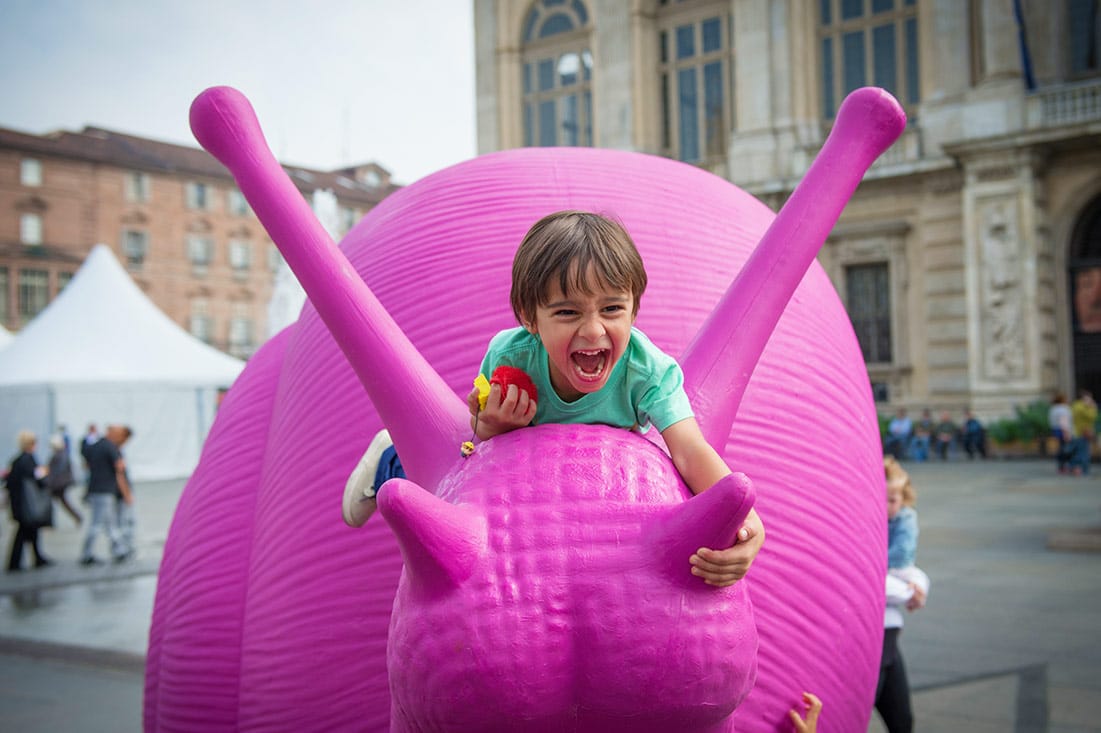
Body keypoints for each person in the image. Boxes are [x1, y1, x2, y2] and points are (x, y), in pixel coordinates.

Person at [344, 210, 764, 588]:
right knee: (452, 477)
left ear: (634, 311)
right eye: (567, 313)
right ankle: (390, 460)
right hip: (524, 469)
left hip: (597, 488)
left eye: (613, 309)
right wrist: (493, 425)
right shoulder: (511, 358)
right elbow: (480, 454)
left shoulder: (648, 371)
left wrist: (749, 525)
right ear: (530, 319)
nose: (594, 331)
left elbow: (690, 450)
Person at [878, 456, 929, 733]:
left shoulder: (903, 521)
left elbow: (906, 567)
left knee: (902, 720)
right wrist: (908, 593)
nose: (888, 507)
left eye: (893, 500)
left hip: (889, 636)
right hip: (874, 636)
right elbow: (871, 580)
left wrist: (916, 587)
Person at [79, 424, 135, 565]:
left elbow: (85, 462)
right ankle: (89, 554)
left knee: (107, 523)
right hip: (105, 490)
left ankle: (118, 550)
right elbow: (120, 471)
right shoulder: (111, 448)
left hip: (95, 489)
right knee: (100, 523)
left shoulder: (96, 445)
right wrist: (127, 493)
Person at [5, 430, 53, 571]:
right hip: (27, 503)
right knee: (24, 532)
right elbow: (35, 476)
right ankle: (16, 562)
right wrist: (43, 473)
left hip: (20, 502)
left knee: (29, 531)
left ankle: (36, 557)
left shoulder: (17, 460)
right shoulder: (28, 459)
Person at [46, 433, 82, 525]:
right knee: (63, 502)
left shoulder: (59, 455)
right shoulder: (63, 454)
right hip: (61, 482)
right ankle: (77, 516)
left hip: (58, 483)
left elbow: (56, 471)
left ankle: (77, 516)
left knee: (60, 502)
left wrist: (49, 481)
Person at [1070, 390, 1097, 475]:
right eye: (1089, 398)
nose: (1091, 400)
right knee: (1084, 453)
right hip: (1084, 432)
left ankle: (1076, 468)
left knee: (1079, 451)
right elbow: (1092, 416)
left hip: (1077, 432)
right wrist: (1093, 407)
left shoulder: (1075, 406)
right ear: (1084, 398)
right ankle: (1083, 470)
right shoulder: (1083, 407)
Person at [1049, 393, 1074, 474]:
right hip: (1063, 430)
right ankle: (1065, 467)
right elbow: (1063, 421)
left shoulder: (1053, 408)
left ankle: (1060, 467)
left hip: (1055, 429)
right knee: (1066, 449)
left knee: (1061, 448)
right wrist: (1066, 432)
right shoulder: (1064, 408)